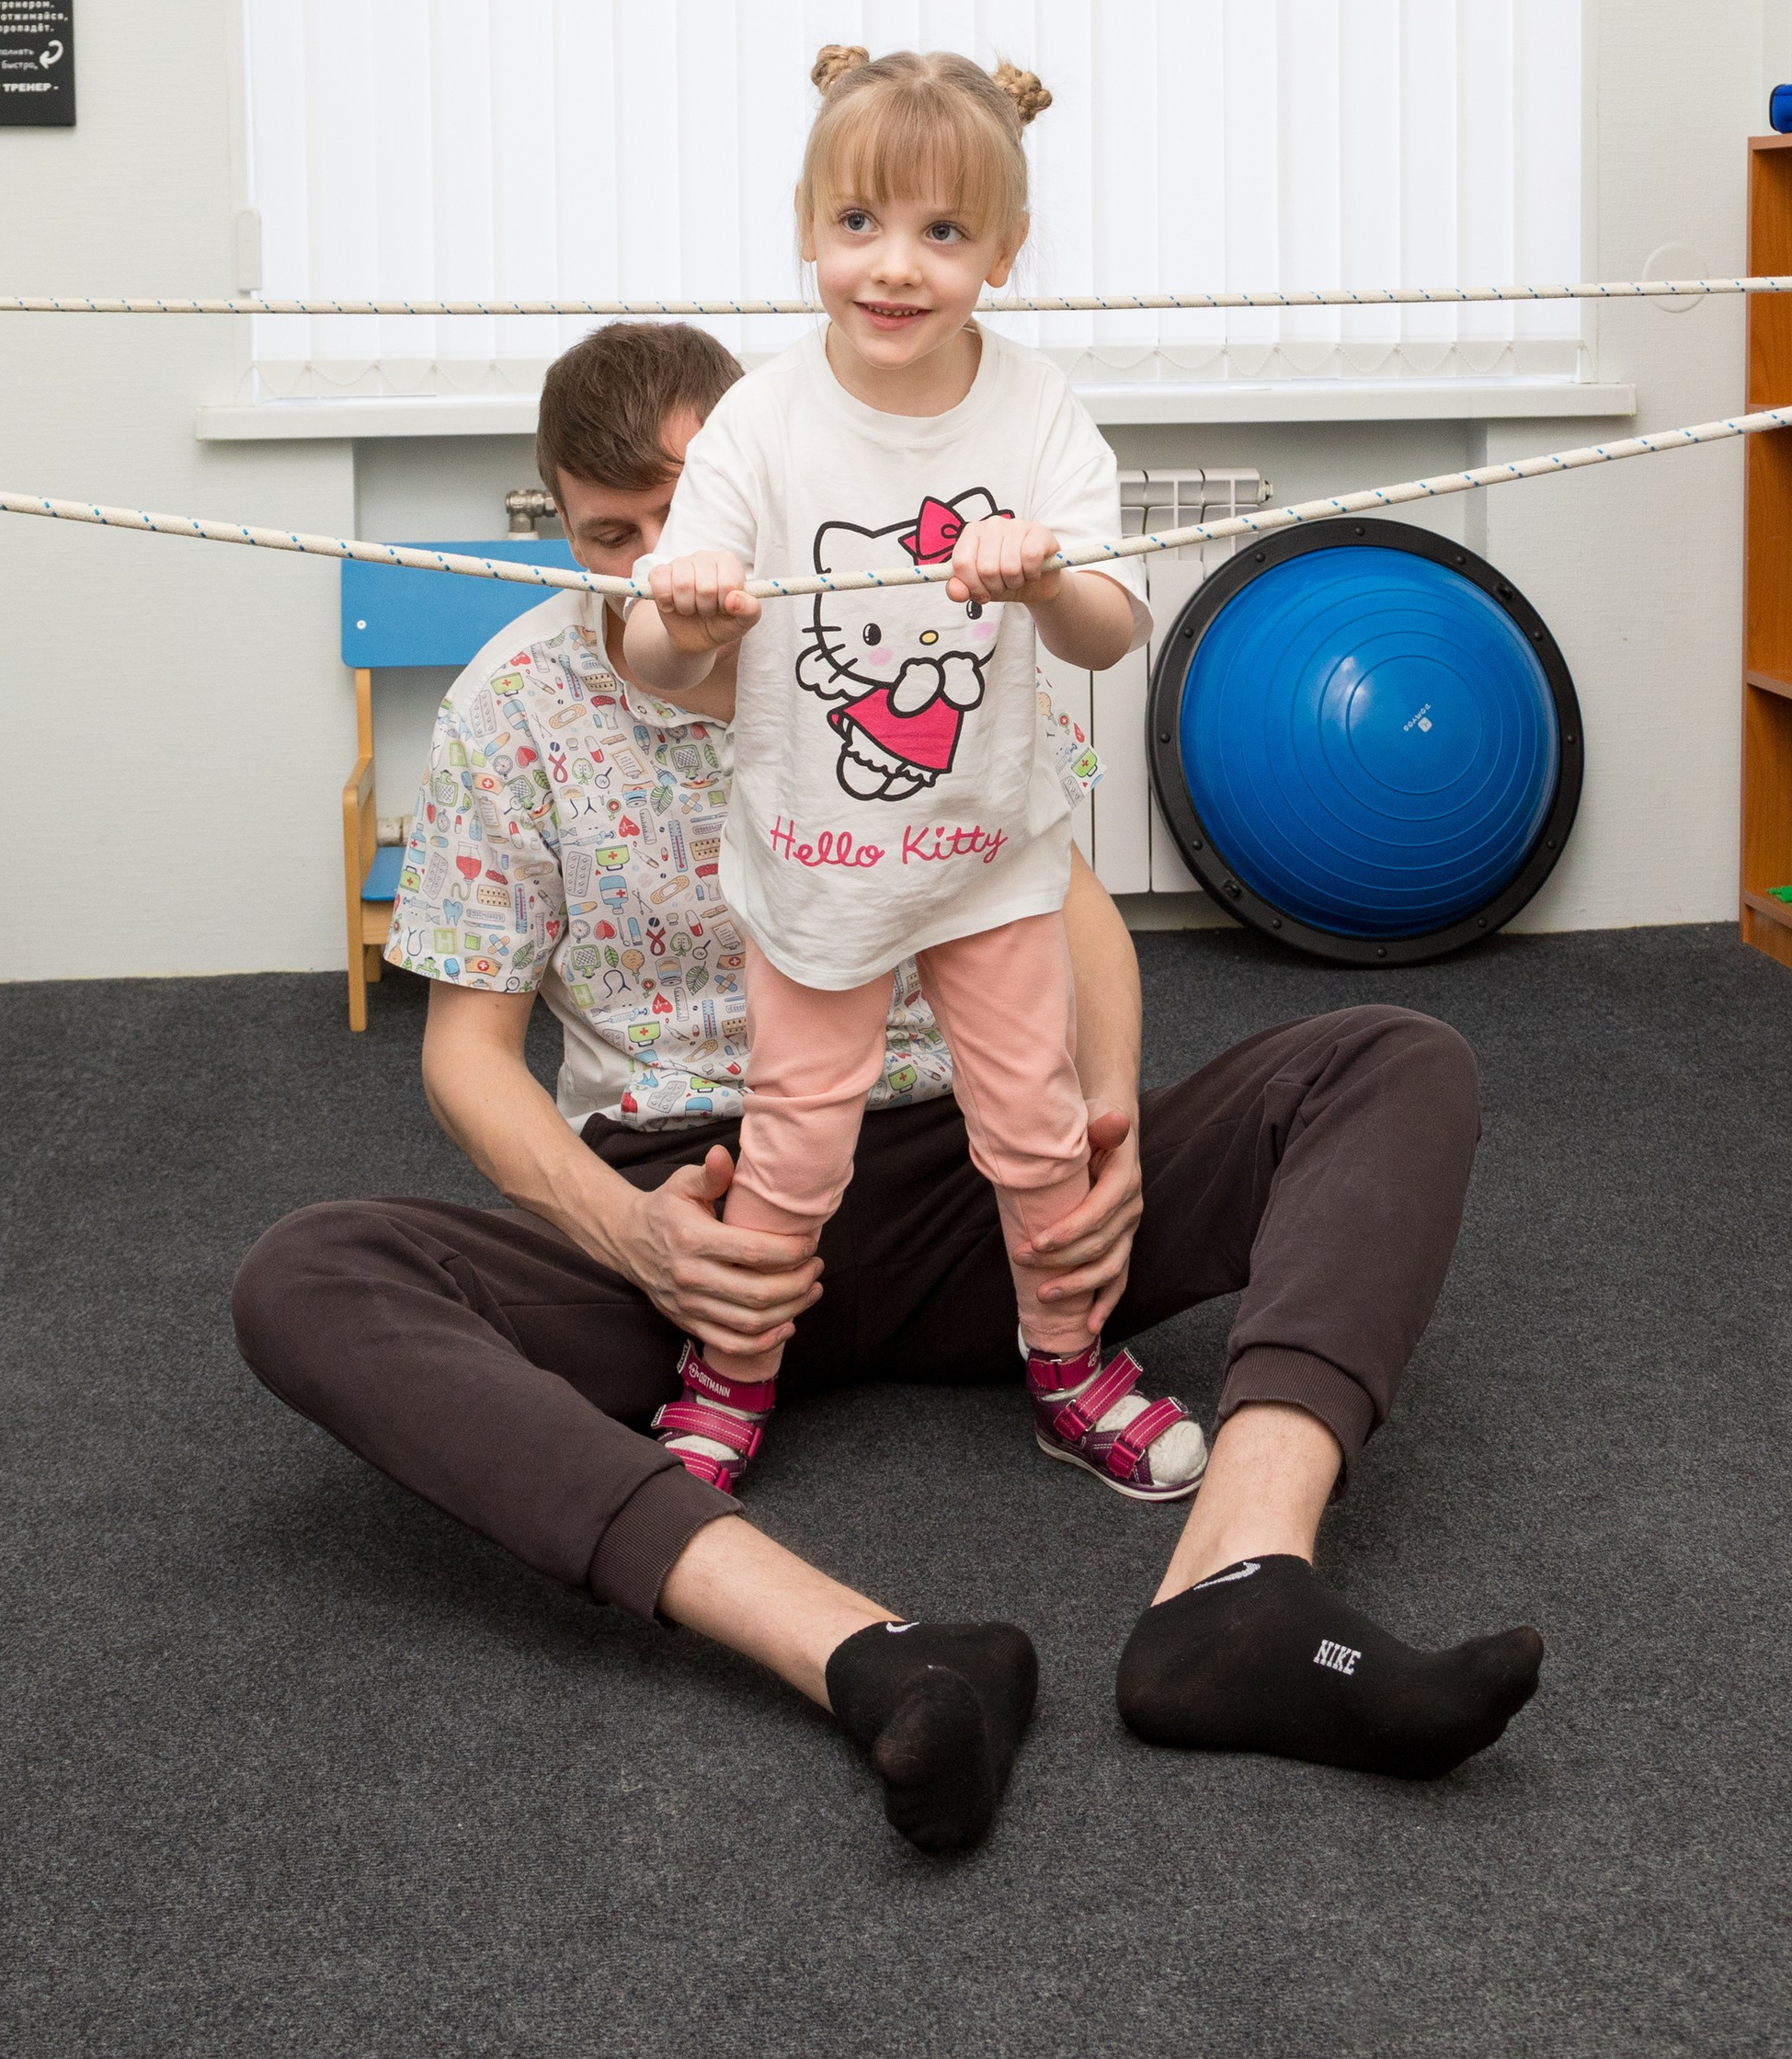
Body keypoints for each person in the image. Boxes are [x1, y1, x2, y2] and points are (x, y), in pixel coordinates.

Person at [232, 312, 1542, 1859]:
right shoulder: (514, 705)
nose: (669, 559)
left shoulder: (925, 616)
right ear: (561, 528)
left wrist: (1106, 1124)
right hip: (698, 1236)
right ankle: (869, 1655)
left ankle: (1239, 1583)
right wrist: (638, 1239)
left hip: (967, 1190)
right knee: (306, 1277)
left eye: (687, 509)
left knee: (1392, 1063)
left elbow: (1069, 912)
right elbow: (465, 1055)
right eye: (613, 535)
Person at [621, 46, 1199, 1518]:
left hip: (988, 855)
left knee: (1036, 1125)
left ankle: (1066, 1362)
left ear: (1001, 254)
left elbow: (1112, 631)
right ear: (809, 229)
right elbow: (648, 647)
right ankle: (732, 1376)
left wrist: (1043, 578)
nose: (895, 267)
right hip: (817, 864)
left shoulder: (1039, 410)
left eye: (944, 233)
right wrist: (679, 604)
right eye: (862, 224)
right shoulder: (758, 419)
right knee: (794, 1140)